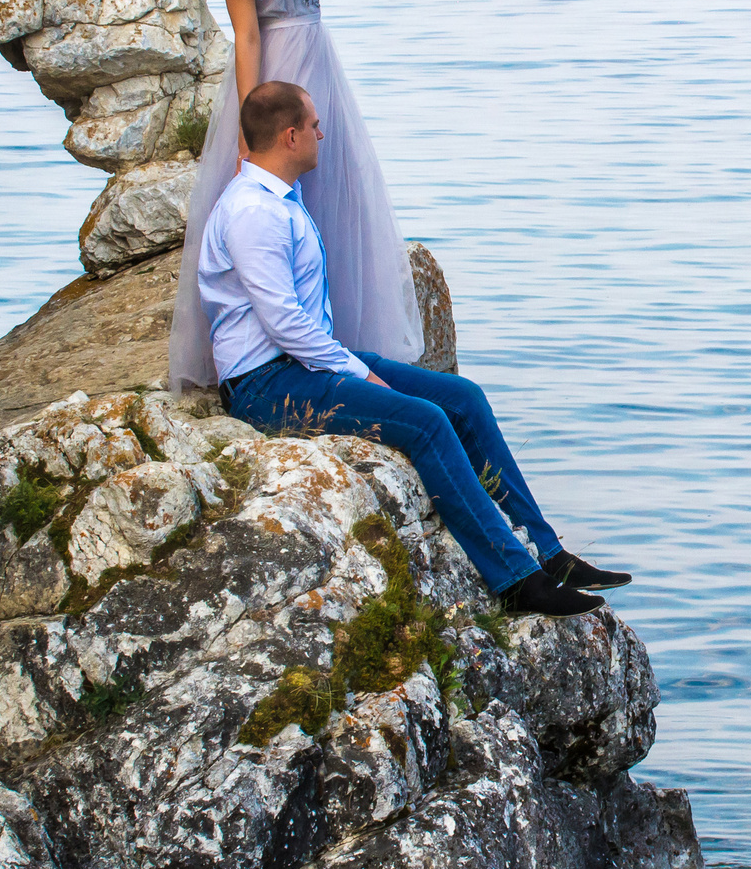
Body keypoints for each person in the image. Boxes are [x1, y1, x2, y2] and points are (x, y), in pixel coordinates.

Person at [199, 79, 632, 617]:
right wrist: (357, 373)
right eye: (313, 126)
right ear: (290, 136)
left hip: (302, 363)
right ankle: (517, 581)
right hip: (265, 384)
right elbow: (283, 321)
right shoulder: (253, 213)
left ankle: (550, 554)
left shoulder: (277, 200)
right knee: (426, 423)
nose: (321, 134)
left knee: (463, 398)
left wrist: (345, 365)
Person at [168, 0, 423, 394]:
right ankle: (287, 352)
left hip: (317, 66)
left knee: (331, 189)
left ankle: (342, 338)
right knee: (284, 193)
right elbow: (248, 36)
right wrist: (249, 127)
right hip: (280, 72)